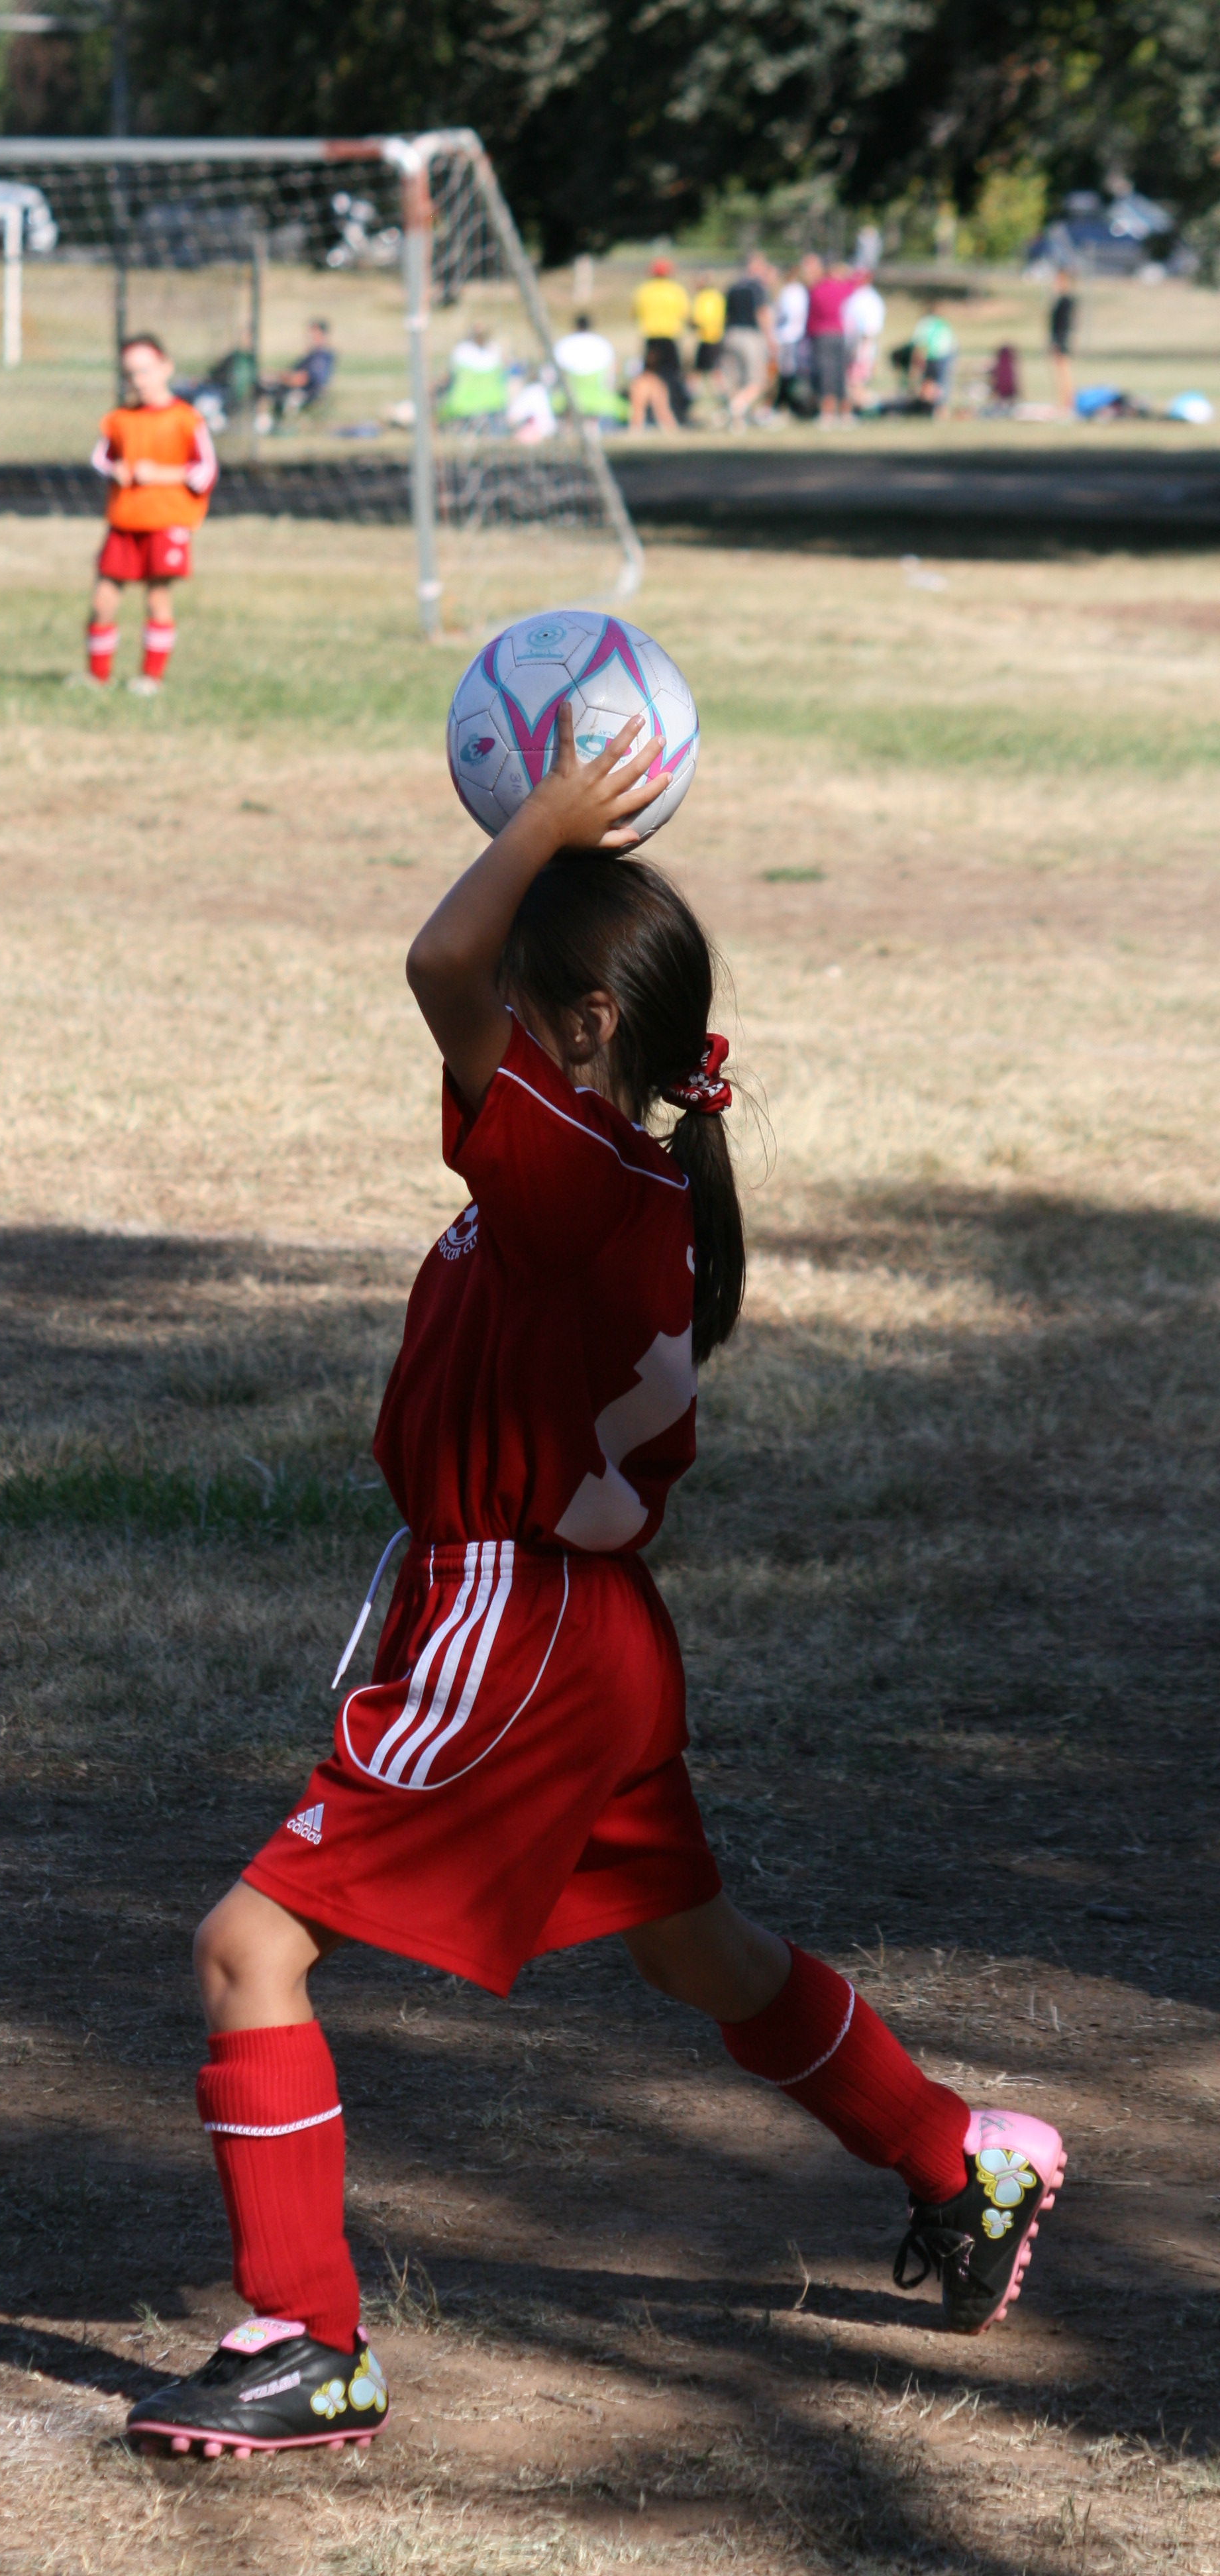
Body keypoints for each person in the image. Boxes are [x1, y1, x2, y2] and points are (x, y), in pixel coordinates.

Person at [122, 709, 1066, 2459]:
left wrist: (545, 819)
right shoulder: (610, 1174)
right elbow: (468, 986)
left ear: (586, 1029)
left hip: (520, 1625)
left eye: (519, 1012)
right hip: (589, 1635)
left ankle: (309, 2340)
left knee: (249, 1944)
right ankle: (957, 2159)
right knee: (700, 1953)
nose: (483, 1032)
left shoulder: (576, 1175)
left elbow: (436, 960)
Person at [83, 332, 218, 696]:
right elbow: (100, 459)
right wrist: (115, 470)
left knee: (158, 598)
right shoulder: (119, 419)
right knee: (103, 599)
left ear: (166, 368)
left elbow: (205, 470)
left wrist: (160, 474)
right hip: (125, 521)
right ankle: (97, 678)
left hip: (165, 521)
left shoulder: (186, 419)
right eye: (130, 374)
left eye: (145, 371)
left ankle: (150, 678)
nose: (138, 380)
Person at [629, 256, 690, 429]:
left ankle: (647, 415)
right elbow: (685, 314)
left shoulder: (643, 290)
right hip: (670, 339)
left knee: (649, 379)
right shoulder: (676, 290)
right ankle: (674, 413)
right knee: (671, 377)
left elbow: (635, 315)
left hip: (651, 341)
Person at [719, 253, 774, 427]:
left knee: (735, 381)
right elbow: (761, 313)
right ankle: (736, 407)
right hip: (750, 336)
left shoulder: (732, 287)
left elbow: (726, 315)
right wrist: (770, 339)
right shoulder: (756, 287)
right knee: (757, 381)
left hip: (731, 334)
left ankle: (738, 422)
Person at [803, 252, 855, 426]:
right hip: (839, 335)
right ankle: (845, 413)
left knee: (827, 375)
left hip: (822, 336)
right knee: (840, 374)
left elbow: (811, 317)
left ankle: (828, 414)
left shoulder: (817, 289)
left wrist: (808, 335)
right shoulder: (844, 288)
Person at [551, 313, 627, 423]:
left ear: (575, 326)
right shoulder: (602, 344)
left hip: (569, 397)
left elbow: (552, 375)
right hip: (599, 398)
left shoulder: (564, 344)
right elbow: (610, 377)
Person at [262, 319, 336, 428]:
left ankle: (279, 425)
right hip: (296, 389)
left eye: (314, 333)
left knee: (277, 394)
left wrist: (278, 379)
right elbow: (293, 372)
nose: (310, 336)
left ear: (322, 334)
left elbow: (302, 379)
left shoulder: (321, 357)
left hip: (307, 393)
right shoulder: (312, 355)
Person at [842, 268, 885, 408]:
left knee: (856, 382)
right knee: (851, 382)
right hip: (852, 345)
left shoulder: (869, 300)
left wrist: (859, 350)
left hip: (861, 347)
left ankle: (872, 407)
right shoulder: (856, 296)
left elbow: (869, 330)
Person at [772, 262, 811, 415]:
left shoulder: (789, 291)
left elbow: (784, 314)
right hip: (798, 336)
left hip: (788, 336)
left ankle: (785, 405)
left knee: (787, 373)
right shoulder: (801, 291)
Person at [909, 298, 956, 411]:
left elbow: (918, 343)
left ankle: (929, 407)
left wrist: (915, 363)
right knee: (941, 384)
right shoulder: (943, 323)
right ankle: (940, 408)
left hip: (932, 356)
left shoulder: (925, 323)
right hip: (945, 355)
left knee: (929, 384)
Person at [690, 274, 726, 418]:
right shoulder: (719, 296)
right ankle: (723, 404)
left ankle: (689, 402)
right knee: (714, 373)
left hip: (707, 339)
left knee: (701, 375)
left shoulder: (702, 297)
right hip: (718, 338)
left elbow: (698, 319)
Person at [1048, 270, 1076, 415]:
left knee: (1064, 374)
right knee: (1060, 373)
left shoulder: (1066, 301)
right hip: (1059, 340)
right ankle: (1063, 401)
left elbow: (1064, 325)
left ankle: (1067, 402)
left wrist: (1058, 342)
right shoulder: (1060, 300)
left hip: (1061, 341)